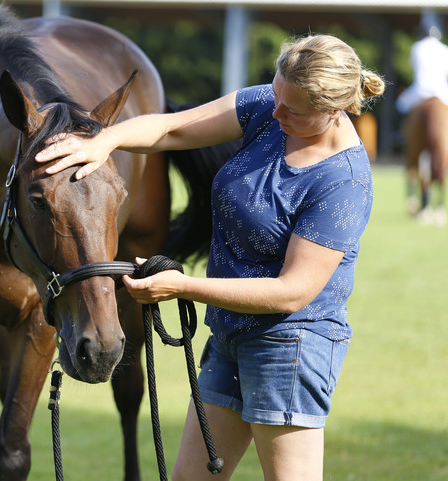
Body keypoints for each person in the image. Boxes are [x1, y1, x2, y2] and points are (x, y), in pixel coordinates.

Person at [35, 34, 385, 481]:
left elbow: (291, 292)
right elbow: (173, 129)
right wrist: (105, 141)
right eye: (275, 94)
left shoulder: (342, 183)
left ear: (334, 109)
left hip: (290, 348)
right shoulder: (270, 107)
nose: (275, 112)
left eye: (292, 109)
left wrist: (182, 287)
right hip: (229, 338)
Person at [396, 25, 448, 225]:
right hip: (442, 95)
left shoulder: (416, 47)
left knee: (401, 106)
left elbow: (414, 70)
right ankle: (440, 206)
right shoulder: (444, 49)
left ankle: (403, 135)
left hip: (420, 93)